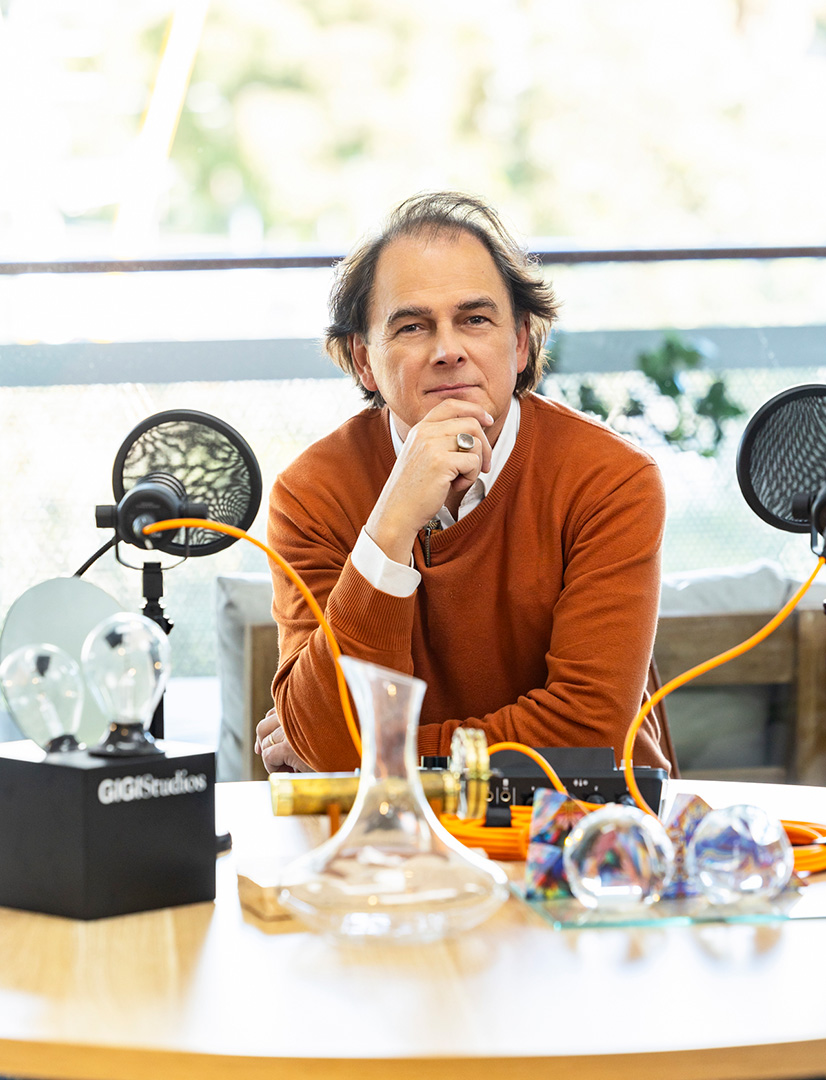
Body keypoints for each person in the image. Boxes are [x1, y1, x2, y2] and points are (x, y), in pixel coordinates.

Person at [255, 191, 671, 775]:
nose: (448, 350)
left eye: (474, 319)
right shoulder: (311, 493)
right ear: (364, 359)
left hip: (583, 833)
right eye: (412, 326)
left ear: (521, 342)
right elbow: (330, 738)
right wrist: (392, 522)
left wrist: (387, 754)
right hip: (389, 845)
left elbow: (587, 731)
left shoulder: (610, 480)